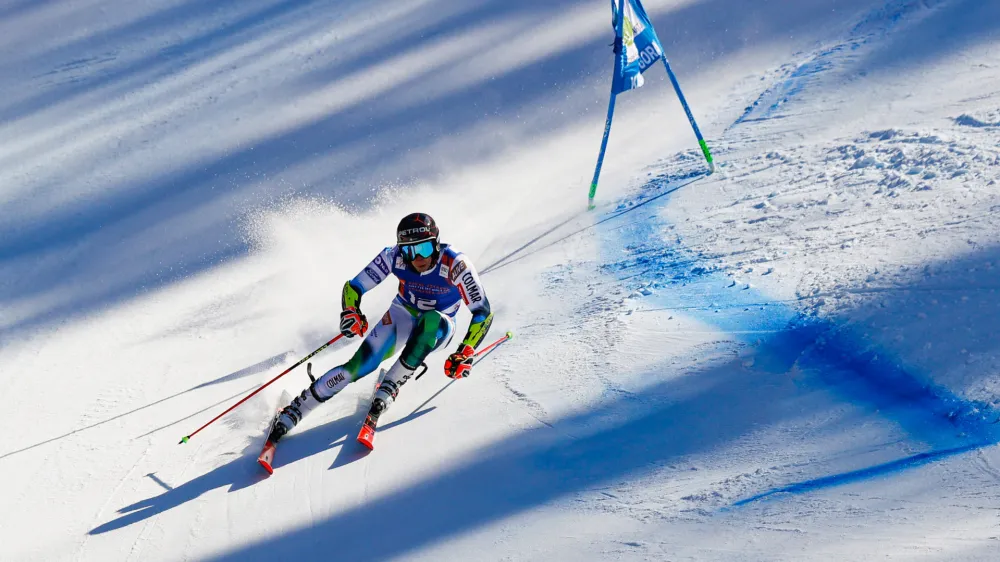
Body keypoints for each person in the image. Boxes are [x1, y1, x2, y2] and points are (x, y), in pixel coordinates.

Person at [266, 212, 493, 444]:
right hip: (402, 314)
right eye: (408, 250)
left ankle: (393, 383)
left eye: (423, 248)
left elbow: (482, 312)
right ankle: (298, 408)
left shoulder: (456, 264)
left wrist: (466, 349)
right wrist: (351, 311)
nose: (417, 258)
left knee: (431, 322)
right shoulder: (393, 257)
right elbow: (354, 287)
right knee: (357, 367)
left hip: (441, 324)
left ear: (436, 244)